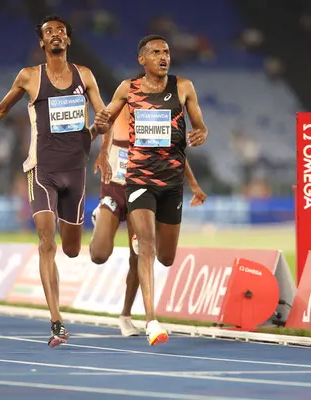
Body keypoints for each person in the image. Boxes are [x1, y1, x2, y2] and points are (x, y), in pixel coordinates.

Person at [0, 15, 109, 348]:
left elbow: (105, 117)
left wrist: (101, 145)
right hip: (42, 170)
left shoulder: (85, 76)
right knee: (47, 242)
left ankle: (93, 220)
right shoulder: (30, 77)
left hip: (75, 170)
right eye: (49, 32)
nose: (56, 35)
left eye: (61, 31)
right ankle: (56, 321)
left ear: (68, 40)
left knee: (73, 249)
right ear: (42, 43)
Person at [94, 35, 209, 346]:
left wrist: (201, 132)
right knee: (146, 246)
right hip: (138, 181)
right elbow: (105, 119)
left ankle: (147, 312)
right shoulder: (127, 89)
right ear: (141, 60)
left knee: (167, 257)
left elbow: (200, 126)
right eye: (156, 52)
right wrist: (100, 124)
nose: (164, 57)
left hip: (172, 184)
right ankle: (152, 321)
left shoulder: (183, 87)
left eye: (167, 52)